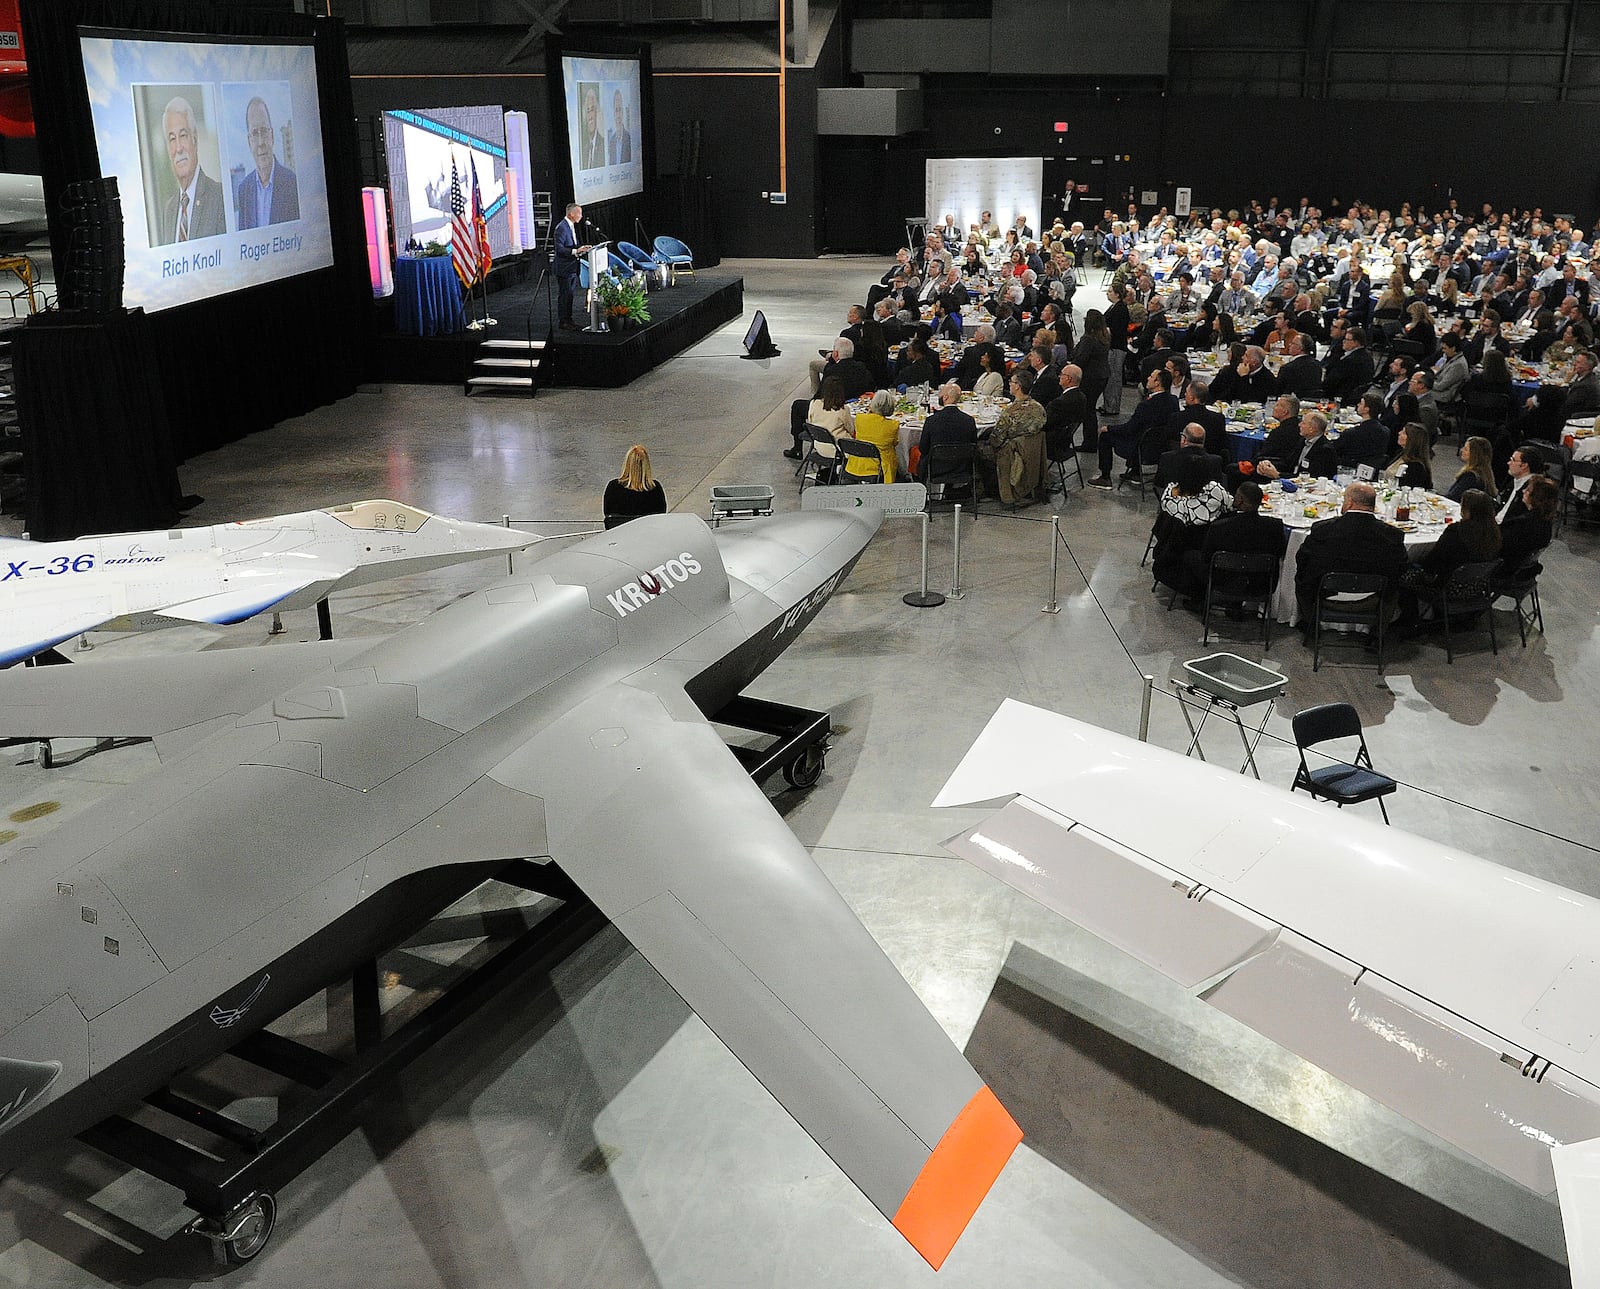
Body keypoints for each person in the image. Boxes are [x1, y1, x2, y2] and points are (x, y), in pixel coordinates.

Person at [1294, 481, 1408, 634]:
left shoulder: (1322, 530)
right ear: (1373, 506)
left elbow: (1302, 561)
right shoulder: (1392, 536)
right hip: (1373, 599)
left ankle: (1310, 625)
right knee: (1394, 587)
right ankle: (1377, 634)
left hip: (1328, 596)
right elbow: (1401, 568)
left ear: (1349, 503)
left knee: (1302, 579)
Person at [1393, 489, 1502, 635]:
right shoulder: (1494, 533)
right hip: (1477, 587)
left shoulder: (1456, 532)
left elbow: (1431, 565)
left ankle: (1409, 618)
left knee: (1400, 571)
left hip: (1447, 588)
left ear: (1467, 510)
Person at [1174, 480, 1288, 604]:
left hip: (1225, 579)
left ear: (1240, 500)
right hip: (1260, 581)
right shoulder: (1274, 526)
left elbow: (1206, 557)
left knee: (1189, 555)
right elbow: (1281, 552)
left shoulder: (1220, 527)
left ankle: (1199, 601)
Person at [1089, 367, 1180, 487]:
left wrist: (1109, 428)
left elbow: (1129, 429)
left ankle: (1105, 477)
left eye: (1152, 377)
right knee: (1142, 433)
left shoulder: (1146, 405)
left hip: (1141, 449)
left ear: (1158, 383)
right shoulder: (1173, 401)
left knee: (1106, 436)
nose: (1148, 378)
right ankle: (1135, 472)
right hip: (1162, 446)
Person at [158, 96, 225, 245]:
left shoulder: (219, 197)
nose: (178, 148)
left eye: (183, 135)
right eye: (172, 139)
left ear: (195, 138)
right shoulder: (169, 210)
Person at [981, 369, 1047, 506]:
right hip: (1032, 453)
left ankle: (987, 490)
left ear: (1018, 386)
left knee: (979, 450)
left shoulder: (1009, 412)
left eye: (1011, 382)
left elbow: (996, 440)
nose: (1009, 384)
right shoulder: (1039, 409)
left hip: (1010, 453)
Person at [234, 96, 299, 230]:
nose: (260, 142)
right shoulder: (244, 190)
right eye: (254, 133)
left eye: (264, 131)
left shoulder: (292, 183)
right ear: (249, 142)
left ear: (272, 136)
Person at [917, 382, 978, 490]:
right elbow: (974, 446)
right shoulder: (969, 421)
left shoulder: (932, 420)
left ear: (945, 397)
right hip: (962, 467)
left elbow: (923, 448)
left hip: (937, 468)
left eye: (940, 393)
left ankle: (919, 487)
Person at [1496, 473, 1558, 574]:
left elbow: (1499, 545)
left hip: (1503, 570)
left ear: (1537, 497)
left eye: (1528, 490)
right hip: (1521, 571)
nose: (1524, 491)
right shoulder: (1546, 523)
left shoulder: (1522, 524)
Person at [1259, 408, 1338, 480]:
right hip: (1290, 477)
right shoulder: (1303, 441)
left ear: (1312, 429)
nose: (1299, 425)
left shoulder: (1324, 450)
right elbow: (1288, 463)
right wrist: (1268, 463)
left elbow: (1310, 479)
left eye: (1303, 423)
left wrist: (1277, 475)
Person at [603, 444, 666, 528]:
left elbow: (608, 513)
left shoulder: (613, 487)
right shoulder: (655, 489)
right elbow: (661, 516)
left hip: (619, 536)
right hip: (648, 536)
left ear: (627, 463)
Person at [554, 202, 591, 330]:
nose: (581, 216)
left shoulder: (570, 226)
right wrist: (576, 251)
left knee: (569, 295)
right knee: (565, 295)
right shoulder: (561, 228)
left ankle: (569, 320)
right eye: (579, 213)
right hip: (565, 268)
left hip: (572, 267)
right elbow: (559, 249)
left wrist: (581, 248)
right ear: (571, 214)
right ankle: (563, 321)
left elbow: (572, 245)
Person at [850, 389, 899, 482]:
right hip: (881, 465)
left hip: (858, 462)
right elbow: (895, 443)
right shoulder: (893, 425)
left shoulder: (859, 418)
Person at [1336, 393, 1389, 471]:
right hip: (1372, 470)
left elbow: (1337, 450)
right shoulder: (1386, 431)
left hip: (1350, 468)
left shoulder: (1351, 433)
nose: (1358, 405)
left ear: (1366, 409)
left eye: (1361, 403)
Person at [1496, 444, 1545, 521]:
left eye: (1513, 460)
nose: (1509, 463)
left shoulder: (1531, 491)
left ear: (1524, 465)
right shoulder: (1513, 483)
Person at [1383, 422, 1434, 490]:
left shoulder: (1416, 467)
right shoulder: (1400, 454)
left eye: (1404, 433)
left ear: (1412, 439)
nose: (1399, 433)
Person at [1445, 435, 1497, 501]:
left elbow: (1452, 497)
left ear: (1474, 454)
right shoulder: (1485, 474)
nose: (1462, 450)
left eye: (1466, 449)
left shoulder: (1471, 476)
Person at [578, 84, 606, 170]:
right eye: (588, 110)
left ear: (597, 113)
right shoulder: (585, 150)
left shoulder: (603, 145)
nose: (590, 116)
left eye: (592, 110)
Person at [607, 88, 632, 164]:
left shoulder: (629, 138)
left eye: (620, 109)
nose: (618, 115)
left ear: (623, 112)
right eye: (616, 110)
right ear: (614, 114)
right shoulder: (611, 142)